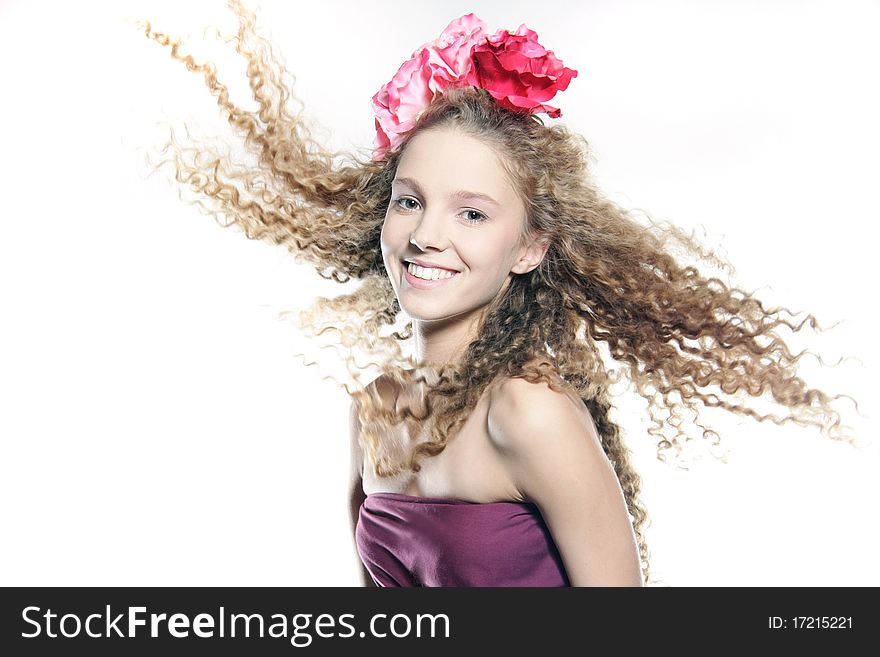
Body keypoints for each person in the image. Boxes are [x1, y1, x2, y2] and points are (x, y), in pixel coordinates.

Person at [138, 1, 859, 587]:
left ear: (530, 246)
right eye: (410, 201)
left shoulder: (529, 413)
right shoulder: (375, 405)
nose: (426, 236)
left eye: (472, 213)